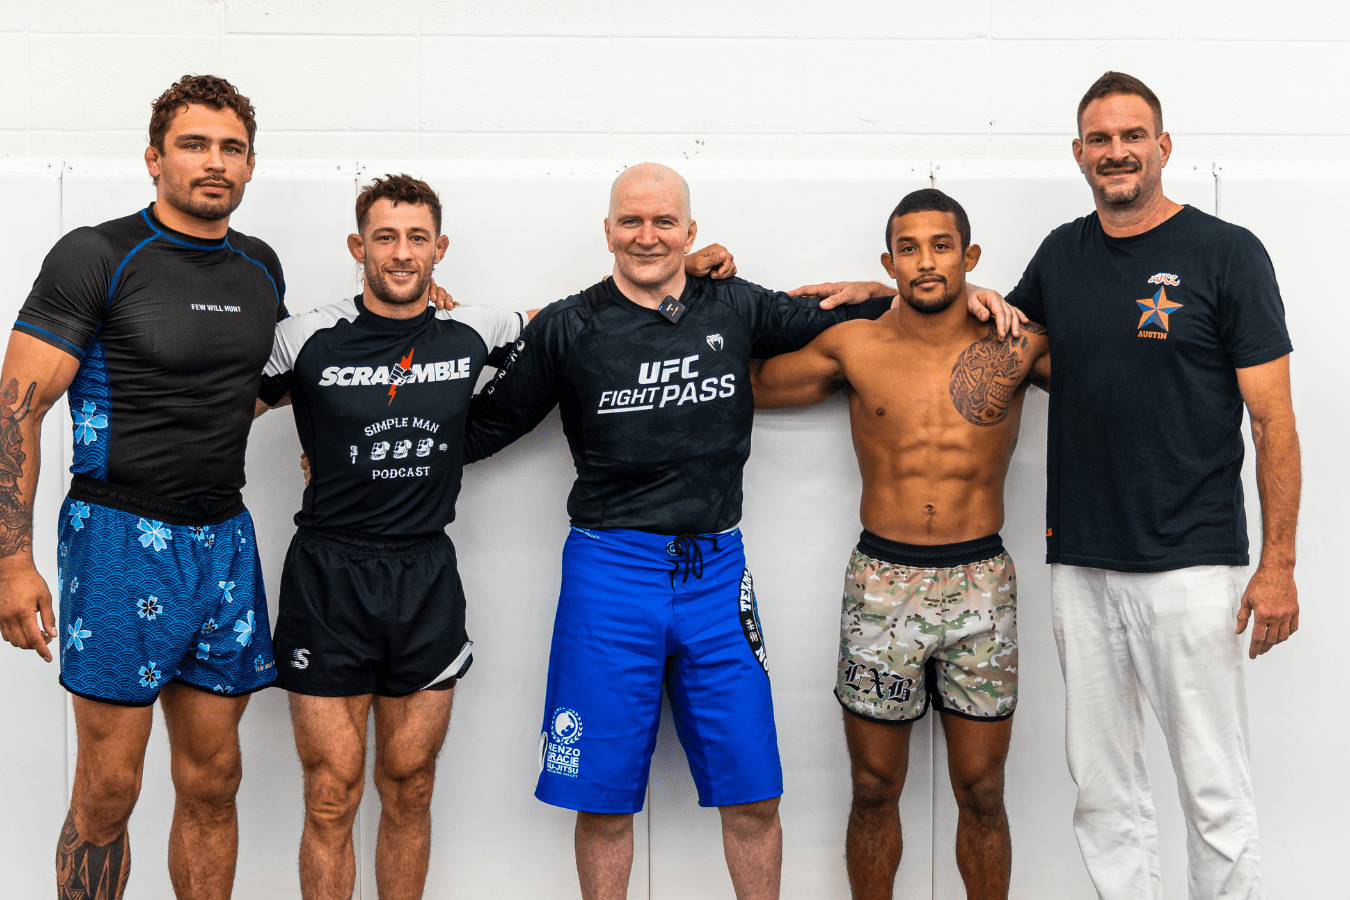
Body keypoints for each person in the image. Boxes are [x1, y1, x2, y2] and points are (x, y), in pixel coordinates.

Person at [461, 163, 1016, 900]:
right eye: (632, 221)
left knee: (754, 795)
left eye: (664, 223)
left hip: (717, 576)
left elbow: (871, 321)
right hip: (609, 571)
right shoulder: (570, 325)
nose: (647, 236)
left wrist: (943, 293)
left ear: (690, 232)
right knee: (601, 802)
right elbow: (487, 426)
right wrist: (364, 455)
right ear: (608, 232)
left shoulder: (734, 305)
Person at [1005, 72, 1299, 899]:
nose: (1117, 152)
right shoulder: (1063, 253)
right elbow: (996, 336)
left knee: (1212, 784)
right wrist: (871, 302)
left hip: (1190, 559)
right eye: (1100, 139)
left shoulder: (1226, 253)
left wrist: (1277, 565)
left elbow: (1273, 421)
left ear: (1163, 147)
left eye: (1132, 136)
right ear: (1079, 154)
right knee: (1103, 790)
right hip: (1083, 561)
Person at [0, 75, 284, 900]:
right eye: (195, 144)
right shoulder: (97, 254)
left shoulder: (259, 266)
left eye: (232, 147)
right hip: (119, 539)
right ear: (154, 157)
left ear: (251, 164)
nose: (214, 162)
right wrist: (11, 563)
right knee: (109, 789)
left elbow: (256, 387)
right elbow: (17, 408)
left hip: (223, 542)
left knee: (214, 781)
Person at [751, 189, 1049, 900]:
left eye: (941, 246)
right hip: (883, 582)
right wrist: (697, 283)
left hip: (982, 581)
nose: (926, 261)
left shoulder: (1017, 343)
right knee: (872, 786)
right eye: (908, 248)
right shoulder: (854, 344)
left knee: (982, 790)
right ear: (888, 262)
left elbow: (1121, 377)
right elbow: (738, 381)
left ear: (969, 257)